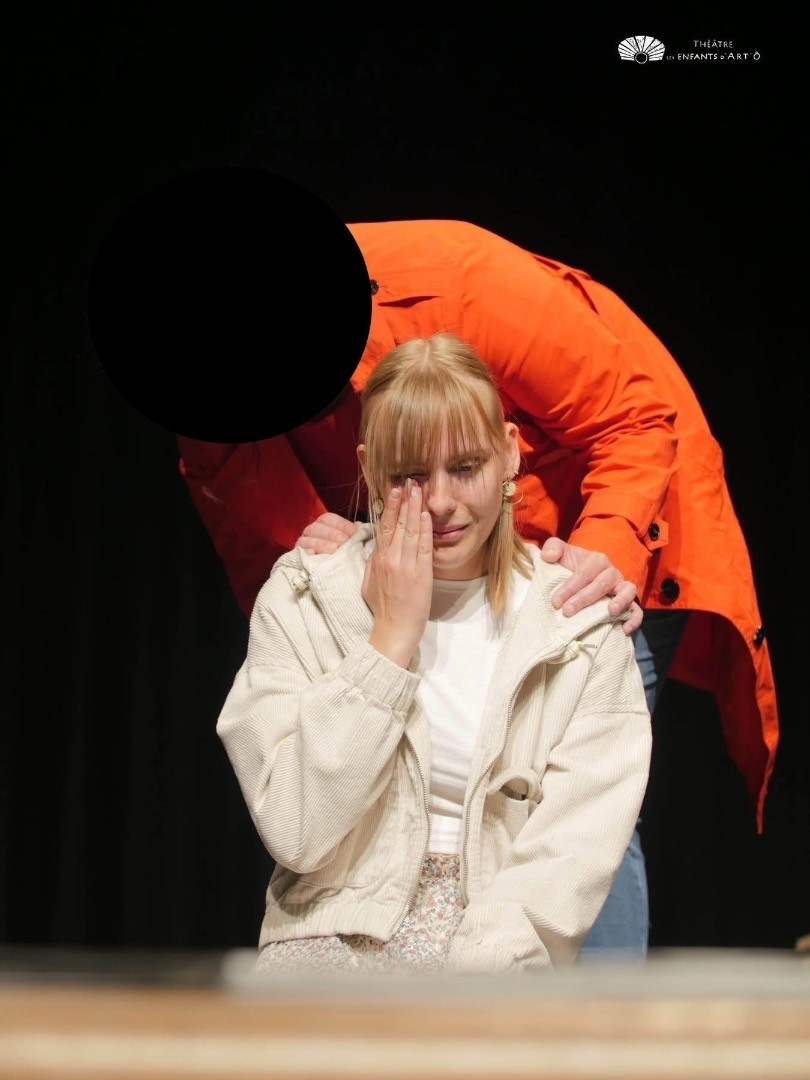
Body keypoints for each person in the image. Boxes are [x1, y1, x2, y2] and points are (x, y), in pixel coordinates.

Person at [177, 218, 778, 957]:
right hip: (414, 569)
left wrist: (599, 557)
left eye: (463, 467)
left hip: (605, 513)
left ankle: (582, 1023)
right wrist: (332, 590)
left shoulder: (461, 278)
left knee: (574, 807)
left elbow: (634, 419)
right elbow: (260, 540)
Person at [215, 333, 652, 974]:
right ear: (369, 470)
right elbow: (297, 830)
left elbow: (569, 859)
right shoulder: (307, 594)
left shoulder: (577, 628)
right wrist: (389, 642)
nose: (441, 501)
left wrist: (469, 988)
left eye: (466, 468)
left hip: (497, 960)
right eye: (409, 476)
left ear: (510, 452)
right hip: (321, 949)